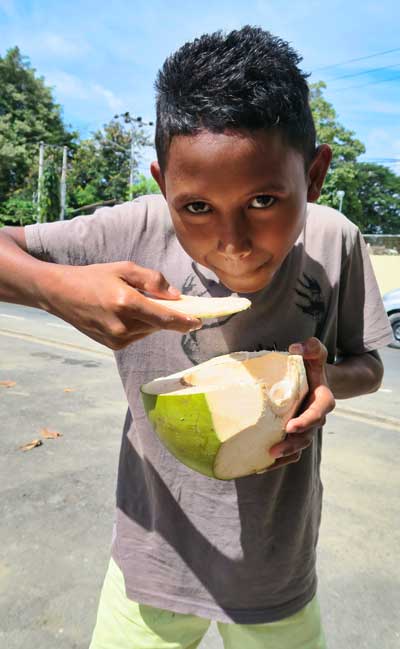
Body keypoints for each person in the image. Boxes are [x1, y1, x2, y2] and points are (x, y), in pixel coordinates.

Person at [0, 25, 393, 649]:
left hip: (275, 571)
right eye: (196, 207)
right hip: (152, 560)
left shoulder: (334, 241)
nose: (232, 242)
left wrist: (324, 382)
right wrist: (54, 288)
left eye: (265, 199)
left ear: (314, 177)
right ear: (163, 184)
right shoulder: (130, 232)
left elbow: (368, 363)